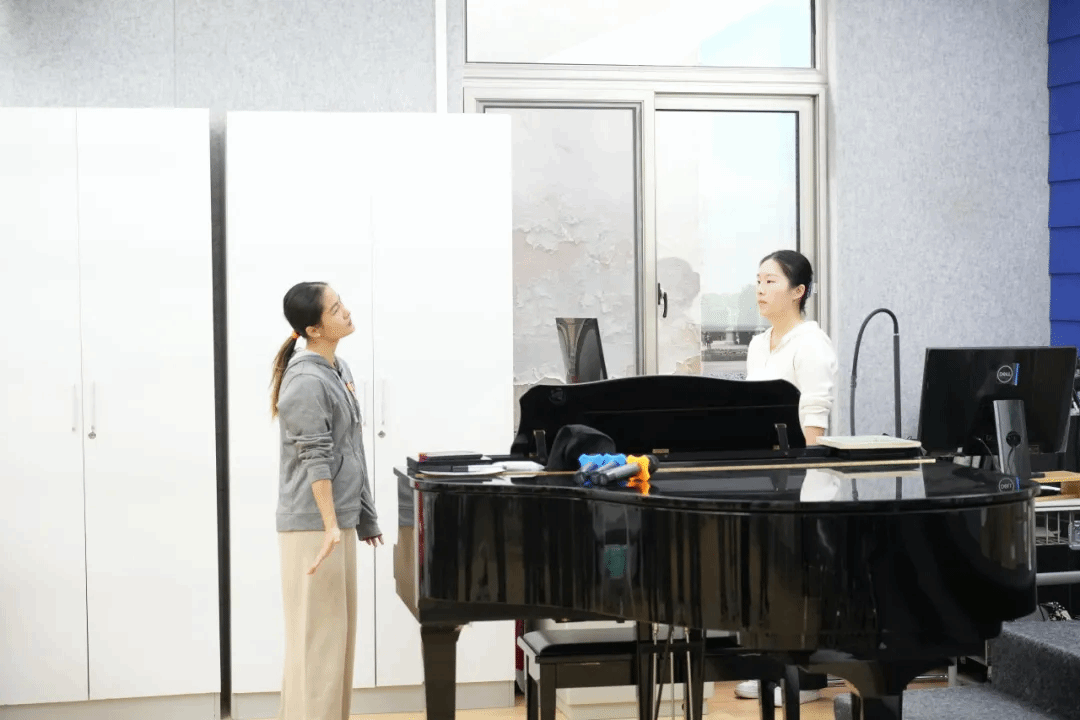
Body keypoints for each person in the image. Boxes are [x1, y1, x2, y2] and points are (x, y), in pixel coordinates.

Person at [270, 281, 382, 720]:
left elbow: (352, 449)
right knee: (319, 649)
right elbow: (314, 457)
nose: (346, 312)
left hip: (337, 523)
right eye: (335, 309)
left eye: (341, 303)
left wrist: (364, 517)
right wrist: (330, 525)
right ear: (314, 329)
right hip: (314, 527)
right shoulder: (304, 381)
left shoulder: (338, 369)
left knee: (335, 647)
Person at [735, 249, 838, 706]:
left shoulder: (812, 344)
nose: (760, 289)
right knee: (767, 579)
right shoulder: (759, 344)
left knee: (799, 581)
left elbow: (814, 424)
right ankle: (771, 673)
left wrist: (803, 490)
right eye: (758, 280)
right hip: (767, 479)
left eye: (771, 281)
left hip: (804, 481)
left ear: (798, 291)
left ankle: (807, 682)